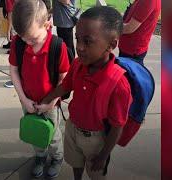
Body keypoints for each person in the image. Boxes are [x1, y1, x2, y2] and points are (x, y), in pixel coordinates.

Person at [36, 6, 132, 180]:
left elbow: (118, 126)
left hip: (96, 140)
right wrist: (47, 99)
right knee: (75, 163)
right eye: (77, 39)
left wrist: (103, 155)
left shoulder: (118, 84)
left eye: (87, 41)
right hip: (72, 128)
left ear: (111, 44)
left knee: (95, 173)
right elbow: (65, 86)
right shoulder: (78, 65)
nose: (79, 47)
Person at [9, 0, 70, 178]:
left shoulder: (58, 46)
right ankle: (40, 156)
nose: (27, 42)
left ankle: (57, 157)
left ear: (47, 25)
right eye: (23, 38)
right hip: (28, 101)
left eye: (33, 38)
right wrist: (23, 99)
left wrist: (51, 103)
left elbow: (63, 78)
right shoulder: (18, 43)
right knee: (35, 131)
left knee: (52, 135)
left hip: (50, 102)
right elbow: (13, 71)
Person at [118, 0, 160, 65]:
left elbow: (129, 28)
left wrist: (109, 27)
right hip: (129, 48)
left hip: (132, 51)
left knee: (129, 73)